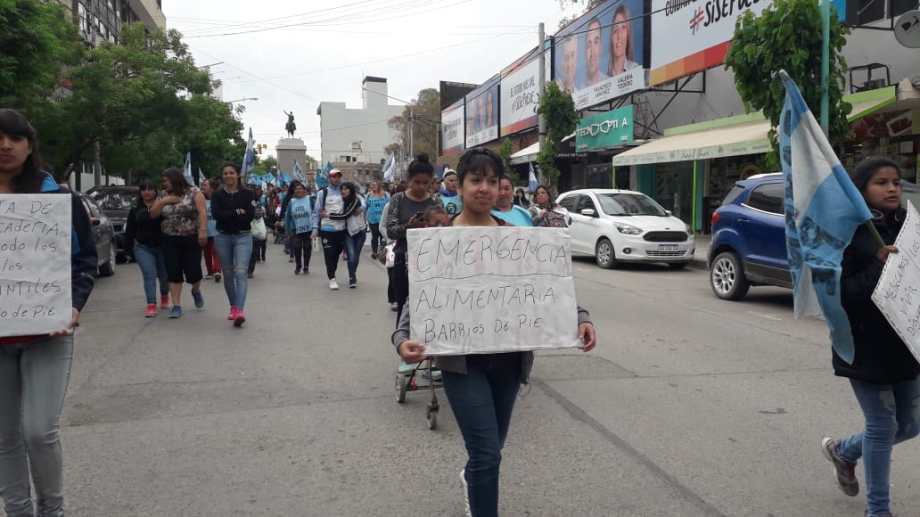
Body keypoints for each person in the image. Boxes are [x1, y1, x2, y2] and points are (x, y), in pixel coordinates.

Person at [392, 147, 597, 517]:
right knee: (487, 453)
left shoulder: (516, 238)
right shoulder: (439, 238)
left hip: (509, 362)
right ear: (459, 186)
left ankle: (472, 477)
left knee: (491, 449)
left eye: (491, 180)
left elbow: (548, 286)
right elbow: (419, 298)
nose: (484, 188)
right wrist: (402, 338)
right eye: (475, 180)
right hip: (461, 365)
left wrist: (580, 317)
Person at [0, 108, 97, 517]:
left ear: (29, 145)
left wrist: (72, 305)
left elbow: (85, 261)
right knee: (5, 437)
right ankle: (18, 511)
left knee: (39, 431)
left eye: (14, 138)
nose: (5, 145)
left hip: (47, 334)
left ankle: (52, 510)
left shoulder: (58, 199)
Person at [820, 157, 920, 517]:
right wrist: (879, 264)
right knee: (882, 425)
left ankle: (844, 451)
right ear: (861, 189)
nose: (892, 188)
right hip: (864, 345)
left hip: (906, 342)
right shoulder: (846, 232)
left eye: (896, 181)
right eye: (881, 182)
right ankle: (878, 510)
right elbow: (842, 295)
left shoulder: (909, 226)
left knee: (910, 424)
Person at [384, 154, 440, 318]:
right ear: (409, 180)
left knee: (428, 309)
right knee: (404, 309)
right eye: (417, 182)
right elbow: (391, 230)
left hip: (430, 261)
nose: (421, 187)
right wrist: (409, 227)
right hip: (403, 260)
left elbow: (443, 231)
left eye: (425, 183)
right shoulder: (398, 199)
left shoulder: (436, 201)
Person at [151, 167, 208, 318]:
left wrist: (203, 230)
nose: (164, 183)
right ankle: (176, 305)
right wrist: (164, 202)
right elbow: (153, 214)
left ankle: (195, 290)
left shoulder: (194, 192)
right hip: (169, 238)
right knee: (173, 272)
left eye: (166, 180)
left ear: (175, 179)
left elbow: (202, 212)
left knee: (193, 272)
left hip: (191, 237)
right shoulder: (163, 195)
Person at [211, 162, 255, 327]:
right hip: (223, 237)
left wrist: (230, 214)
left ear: (237, 175)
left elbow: (249, 216)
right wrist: (237, 212)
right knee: (228, 274)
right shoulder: (217, 195)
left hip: (243, 237)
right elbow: (217, 215)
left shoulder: (248, 194)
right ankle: (233, 306)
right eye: (225, 173)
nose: (228, 175)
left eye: (231, 173)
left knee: (240, 273)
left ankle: (239, 311)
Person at [126, 181, 170, 317]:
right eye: (144, 189)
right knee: (149, 274)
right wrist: (128, 251)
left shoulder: (164, 205)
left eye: (150, 189)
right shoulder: (135, 208)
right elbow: (130, 231)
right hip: (143, 247)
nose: (147, 192)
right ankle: (151, 304)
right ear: (140, 192)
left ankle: (164, 296)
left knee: (164, 276)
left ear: (155, 191)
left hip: (163, 247)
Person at [312, 168, 349, 290]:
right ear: (329, 178)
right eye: (333, 176)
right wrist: (315, 229)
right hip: (327, 229)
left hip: (341, 229)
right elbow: (316, 212)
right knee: (329, 254)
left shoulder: (344, 192)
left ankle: (332, 272)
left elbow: (357, 201)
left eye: (338, 176)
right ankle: (332, 278)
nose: (336, 179)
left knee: (336, 255)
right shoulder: (323, 193)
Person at [332, 181, 366, 288]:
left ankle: (353, 273)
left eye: (346, 189)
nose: (343, 191)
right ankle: (352, 277)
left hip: (360, 231)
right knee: (351, 256)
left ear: (351, 190)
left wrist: (329, 215)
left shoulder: (356, 200)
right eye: (342, 189)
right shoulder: (339, 201)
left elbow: (345, 215)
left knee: (355, 256)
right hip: (347, 233)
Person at [284, 180, 314, 275]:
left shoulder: (309, 199)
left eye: (300, 188)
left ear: (304, 190)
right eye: (296, 189)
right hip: (295, 229)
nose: (298, 190)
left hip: (308, 229)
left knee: (307, 247)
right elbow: (288, 217)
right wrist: (287, 230)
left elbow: (315, 212)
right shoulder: (292, 202)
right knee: (297, 248)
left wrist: (316, 227)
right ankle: (298, 265)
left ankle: (306, 266)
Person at [201, 178, 222, 282]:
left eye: (205, 185)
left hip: (217, 230)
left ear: (212, 188)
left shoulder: (218, 198)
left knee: (216, 250)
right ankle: (210, 272)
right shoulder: (201, 199)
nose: (203, 187)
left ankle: (217, 270)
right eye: (202, 185)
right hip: (205, 230)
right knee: (207, 252)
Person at [609, 5, 640, 76]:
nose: (619, 35)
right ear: (611, 37)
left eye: (623, 27)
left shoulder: (635, 69)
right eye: (615, 29)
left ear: (628, 34)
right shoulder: (605, 78)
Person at [366, 180, 389, 258]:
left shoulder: (385, 195)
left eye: (375, 185)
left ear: (379, 185)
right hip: (372, 220)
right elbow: (366, 206)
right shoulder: (369, 195)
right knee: (374, 236)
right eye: (372, 185)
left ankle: (382, 252)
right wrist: (365, 218)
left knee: (383, 236)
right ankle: (374, 252)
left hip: (383, 219)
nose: (373, 186)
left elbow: (389, 206)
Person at [584, 18, 604, 87]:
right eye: (589, 44)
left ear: (601, 47)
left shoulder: (608, 81)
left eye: (596, 42)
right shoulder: (579, 88)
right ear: (585, 51)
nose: (592, 51)